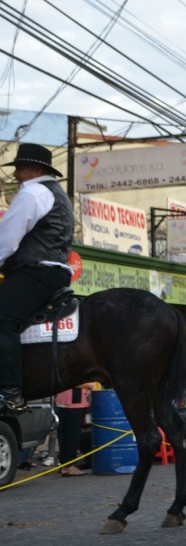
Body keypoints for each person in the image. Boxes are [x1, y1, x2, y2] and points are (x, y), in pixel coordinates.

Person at [0, 143, 74, 411]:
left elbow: (6, 240)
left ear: (38, 168)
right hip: (55, 272)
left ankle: (10, 392)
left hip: (35, 272)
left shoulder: (32, 192)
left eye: (20, 167)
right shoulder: (58, 194)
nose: (16, 173)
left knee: (2, 318)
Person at [55, 383, 94, 476]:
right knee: (72, 434)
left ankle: (65, 464)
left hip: (67, 400)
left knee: (66, 434)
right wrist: (90, 385)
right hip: (73, 401)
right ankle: (68, 466)